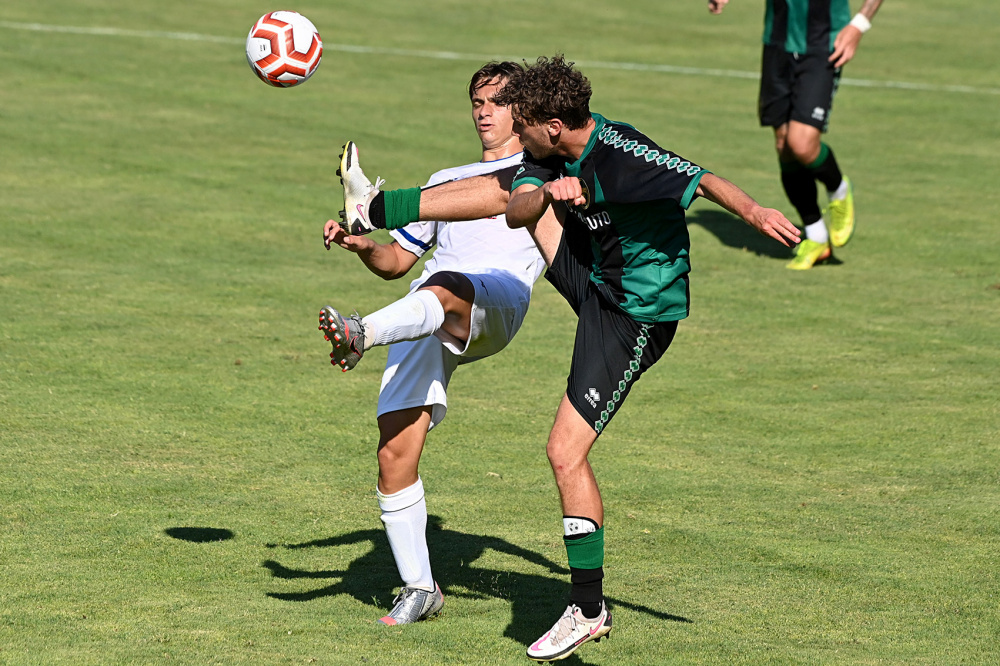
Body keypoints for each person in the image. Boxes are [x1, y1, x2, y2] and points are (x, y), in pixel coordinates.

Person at [337, 55, 799, 662]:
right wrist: (542, 191)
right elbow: (511, 204)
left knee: (564, 451)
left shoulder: (623, 154)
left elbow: (703, 179)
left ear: (552, 126)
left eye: (521, 125)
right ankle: (377, 206)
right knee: (505, 192)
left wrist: (756, 212)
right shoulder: (545, 153)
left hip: (634, 312)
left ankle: (587, 609)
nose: (512, 136)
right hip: (589, 275)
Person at [318, 61, 547, 626]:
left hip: (497, 299)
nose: (483, 112)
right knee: (394, 450)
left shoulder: (540, 169)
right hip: (422, 309)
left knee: (446, 286)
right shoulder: (446, 177)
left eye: (496, 101)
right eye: (477, 101)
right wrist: (359, 244)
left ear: (524, 110)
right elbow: (397, 262)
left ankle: (362, 333)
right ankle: (420, 588)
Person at [710, 0, 884, 269]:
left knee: (801, 144)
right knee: (784, 146)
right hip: (777, 43)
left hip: (824, 44)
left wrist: (858, 25)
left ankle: (839, 190)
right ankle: (816, 237)